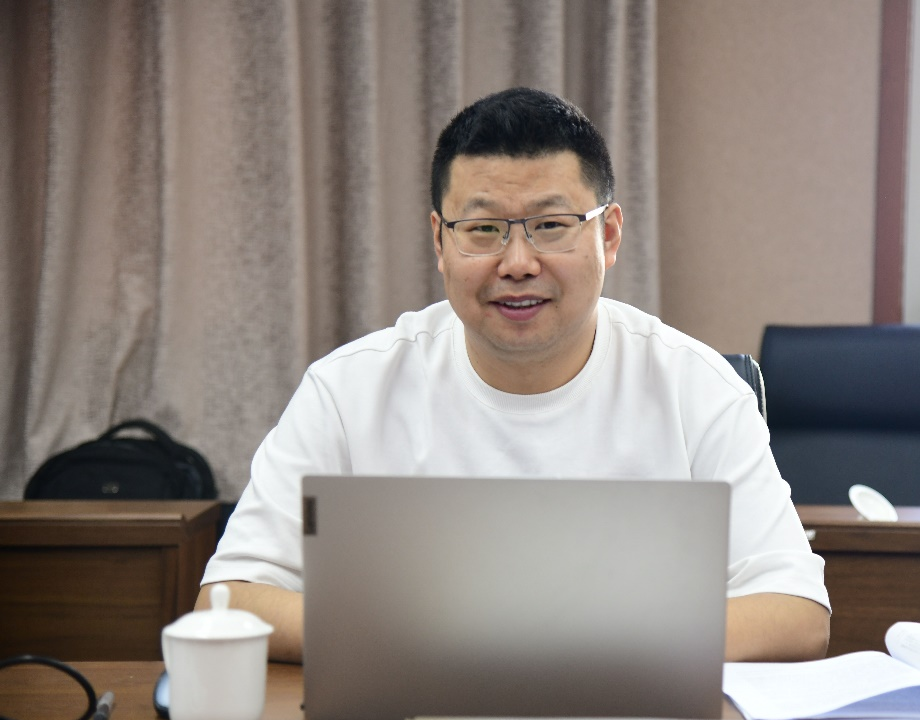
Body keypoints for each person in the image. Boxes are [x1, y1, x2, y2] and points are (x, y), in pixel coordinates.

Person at [198, 86, 830, 663]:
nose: (518, 263)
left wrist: (572, 646)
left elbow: (797, 612)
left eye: (551, 226)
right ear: (440, 242)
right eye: (483, 230)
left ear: (609, 235)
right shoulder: (348, 392)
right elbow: (229, 598)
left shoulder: (698, 389)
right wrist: (433, 639)